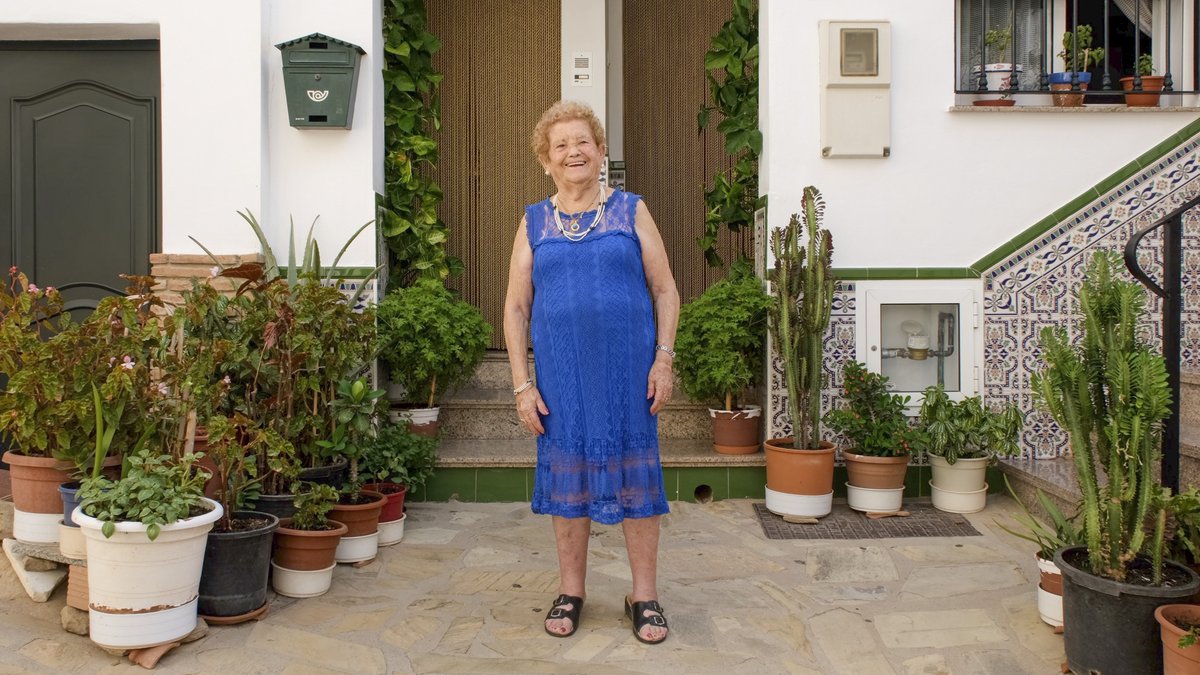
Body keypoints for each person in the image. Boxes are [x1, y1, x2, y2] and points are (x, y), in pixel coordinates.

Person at [503, 100, 680, 645]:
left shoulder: (631, 210)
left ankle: (643, 596)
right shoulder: (534, 221)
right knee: (568, 486)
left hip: (629, 378)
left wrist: (664, 357)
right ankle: (571, 590)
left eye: (583, 142)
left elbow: (666, 290)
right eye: (562, 145)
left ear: (601, 152)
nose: (574, 152)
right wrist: (522, 385)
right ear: (546, 160)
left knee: (638, 483)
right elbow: (515, 309)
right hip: (561, 383)